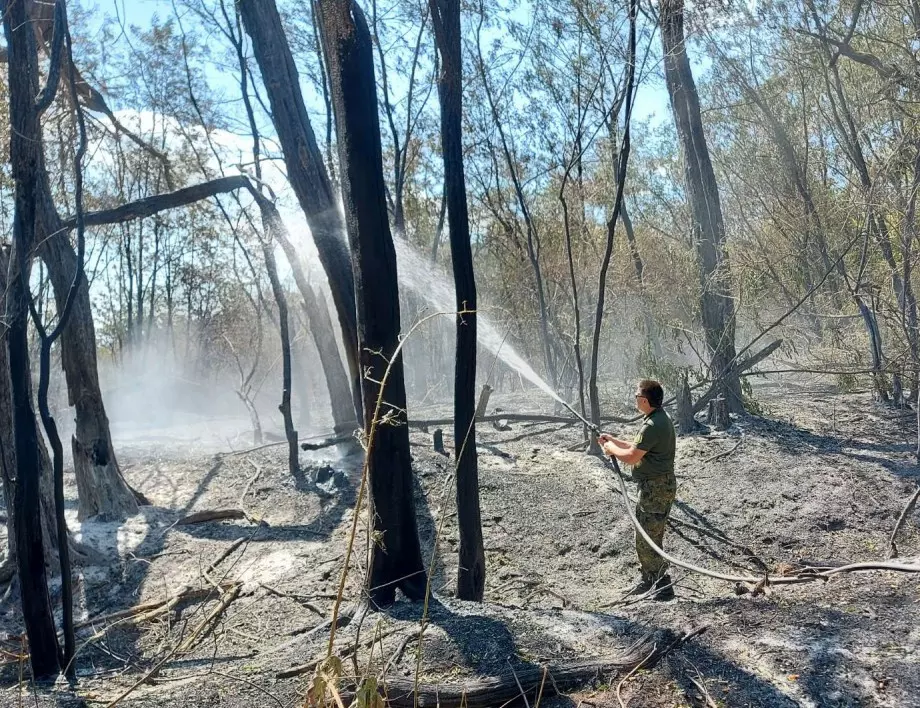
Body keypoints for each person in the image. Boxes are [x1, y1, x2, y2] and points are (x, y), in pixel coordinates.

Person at [598, 379, 677, 600]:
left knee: (646, 539)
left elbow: (632, 457)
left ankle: (661, 586)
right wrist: (613, 441)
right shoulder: (656, 419)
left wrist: (609, 448)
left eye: (636, 395)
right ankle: (651, 580)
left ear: (644, 400)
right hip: (657, 487)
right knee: (650, 535)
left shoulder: (653, 425)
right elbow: (637, 447)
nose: (635, 398)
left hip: (656, 489)